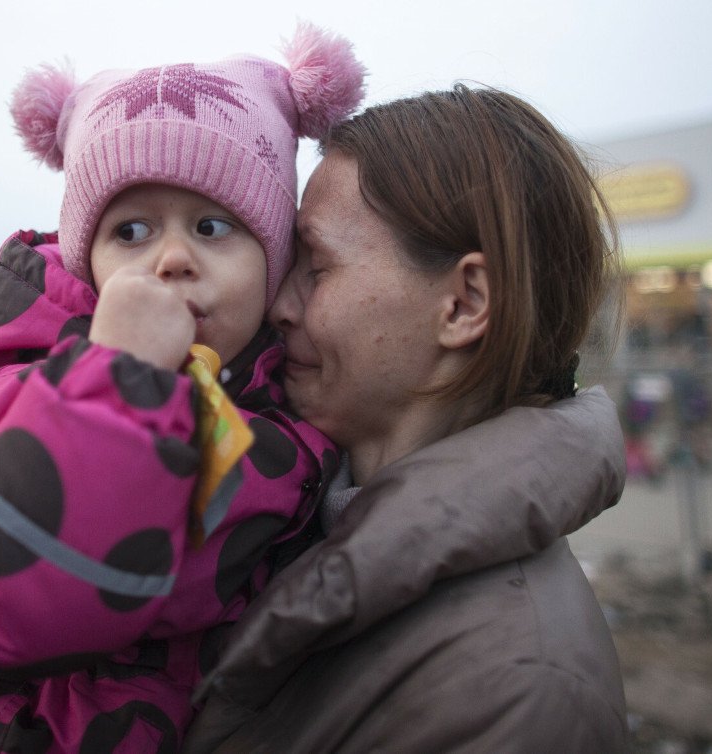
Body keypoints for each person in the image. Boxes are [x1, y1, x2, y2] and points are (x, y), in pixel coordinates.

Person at [0, 24, 365, 752]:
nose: (171, 259)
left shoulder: (294, 405)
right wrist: (123, 378)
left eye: (212, 227)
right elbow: (5, 607)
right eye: (132, 231)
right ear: (87, 264)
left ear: (276, 261)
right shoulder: (24, 380)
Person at [183, 85, 629, 753]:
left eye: (317, 266)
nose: (278, 303)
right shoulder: (281, 520)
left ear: (464, 305)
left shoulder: (516, 694)